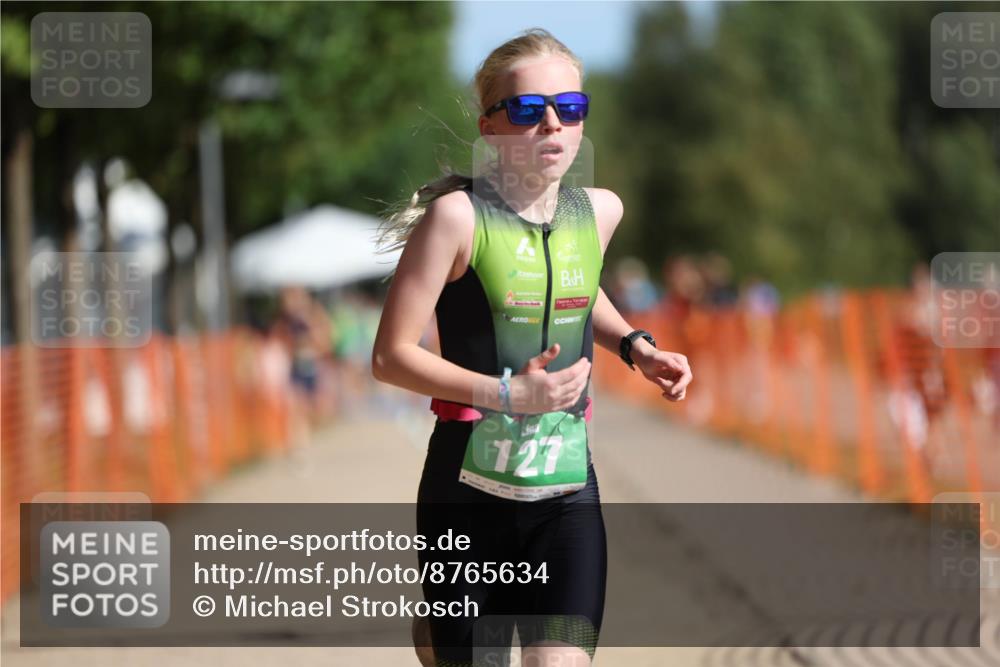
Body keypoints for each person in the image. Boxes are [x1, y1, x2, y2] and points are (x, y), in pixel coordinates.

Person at [372, 28, 693, 667]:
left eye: (570, 109)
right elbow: (389, 356)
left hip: (566, 485)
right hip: (467, 488)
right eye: (527, 111)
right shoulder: (456, 220)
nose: (552, 125)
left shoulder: (599, 212)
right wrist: (506, 393)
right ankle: (441, 638)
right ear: (491, 126)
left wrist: (635, 346)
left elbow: (574, 290)